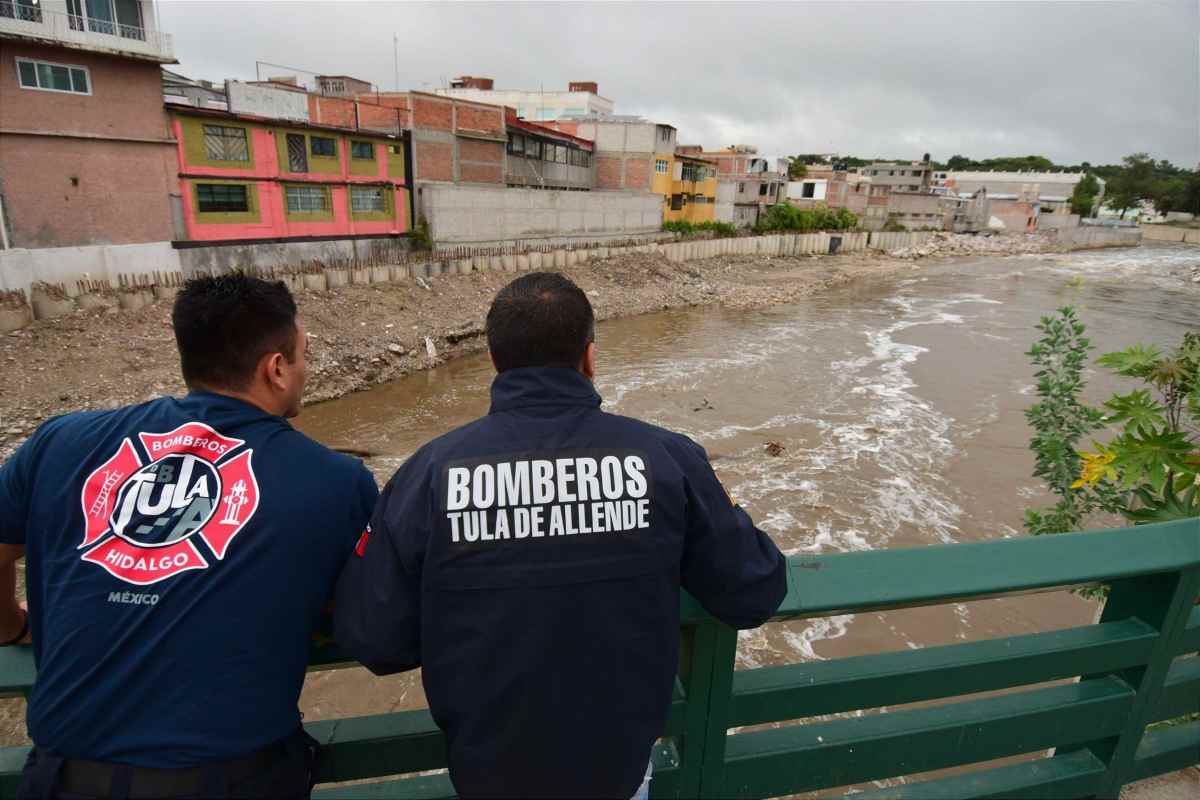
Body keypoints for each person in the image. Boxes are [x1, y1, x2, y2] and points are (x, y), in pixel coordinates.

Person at [334, 271, 787, 799]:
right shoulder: (666, 457)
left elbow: (377, 639)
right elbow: (753, 590)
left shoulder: (428, 471)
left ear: (495, 361)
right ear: (589, 358)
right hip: (615, 768)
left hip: (487, 770)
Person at [0, 274, 378, 799]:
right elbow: (363, 610)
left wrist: (12, 624)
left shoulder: (60, 441)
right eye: (302, 356)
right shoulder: (337, 481)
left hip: (63, 777)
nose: (305, 370)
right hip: (230, 778)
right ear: (275, 368)